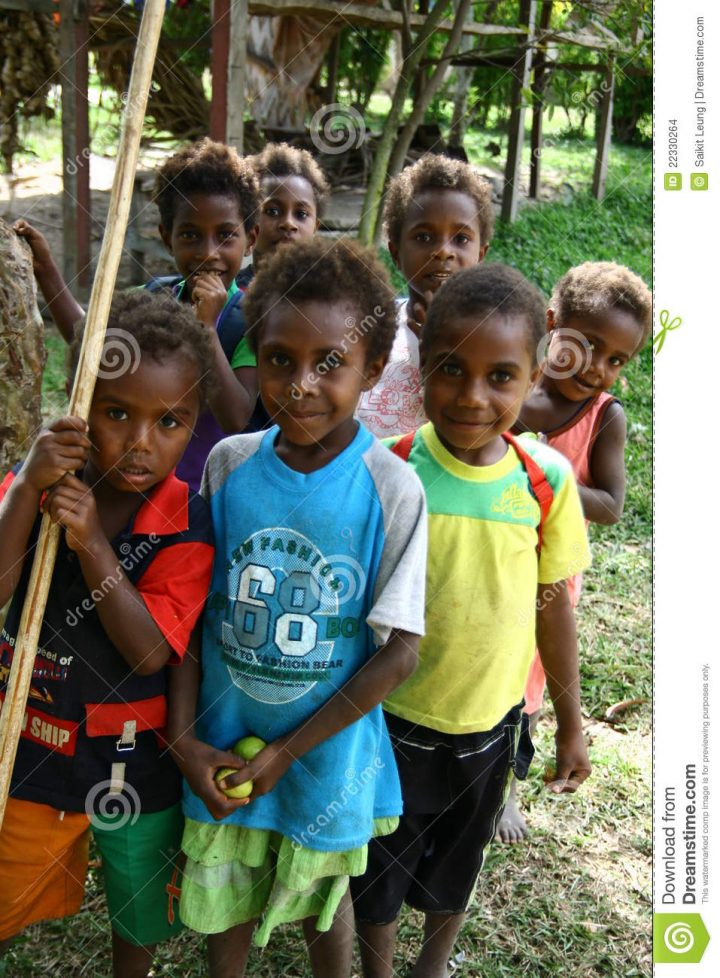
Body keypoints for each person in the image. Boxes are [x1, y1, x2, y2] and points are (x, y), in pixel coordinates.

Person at [166, 238, 428, 978]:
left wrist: (292, 748)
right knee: (225, 894)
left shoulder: (391, 487)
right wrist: (185, 739)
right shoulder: (229, 465)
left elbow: (400, 649)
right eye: (279, 359)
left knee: (323, 900)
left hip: (327, 755)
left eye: (330, 364)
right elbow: (192, 610)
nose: (300, 384)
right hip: (224, 739)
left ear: (373, 369)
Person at [351, 263, 592, 978]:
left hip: (490, 725)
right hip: (389, 722)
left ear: (535, 373)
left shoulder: (545, 482)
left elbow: (555, 610)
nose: (472, 396)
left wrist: (571, 721)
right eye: (452, 370)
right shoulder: (388, 469)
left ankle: (432, 967)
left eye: (501, 377)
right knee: (377, 874)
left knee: (458, 868)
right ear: (421, 360)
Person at [0, 291, 218, 978]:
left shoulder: (189, 520)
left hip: (135, 764)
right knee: (7, 883)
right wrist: (27, 485)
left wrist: (93, 541)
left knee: (138, 900)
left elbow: (151, 649)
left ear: (193, 425)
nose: (140, 441)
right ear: (81, 402)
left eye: (170, 421)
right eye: (117, 413)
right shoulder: (41, 485)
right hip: (34, 744)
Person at [495, 260, 653, 843]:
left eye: (617, 360)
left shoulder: (604, 417)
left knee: (529, 685)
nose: (599, 368)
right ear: (552, 324)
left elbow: (610, 503)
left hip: (548, 580)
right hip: (486, 558)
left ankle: (506, 790)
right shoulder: (506, 384)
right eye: (588, 346)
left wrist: (547, 471)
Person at [14, 137, 261, 490]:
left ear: (250, 239)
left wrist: (206, 328)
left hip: (207, 502)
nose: (208, 253)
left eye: (225, 235)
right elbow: (95, 346)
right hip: (143, 492)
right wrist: (48, 273)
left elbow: (236, 417)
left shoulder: (249, 319)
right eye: (190, 235)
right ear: (166, 237)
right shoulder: (154, 298)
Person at [356, 153, 493, 437]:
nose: (443, 251)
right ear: (396, 253)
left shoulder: (497, 338)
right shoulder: (370, 328)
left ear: (481, 254)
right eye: (424, 237)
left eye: (461, 239)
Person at [231, 141, 331, 430]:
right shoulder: (231, 295)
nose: (288, 223)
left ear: (316, 227)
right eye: (272, 211)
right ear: (251, 222)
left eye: (301, 214)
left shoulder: (326, 301)